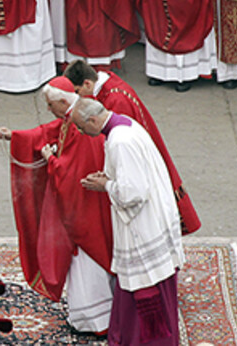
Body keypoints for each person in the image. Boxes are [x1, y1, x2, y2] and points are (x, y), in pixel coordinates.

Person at [0, 76, 113, 334]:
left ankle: (94, 320)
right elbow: (48, 131)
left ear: (63, 101)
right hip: (85, 204)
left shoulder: (83, 126)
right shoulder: (75, 114)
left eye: (51, 105)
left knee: (87, 264)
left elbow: (75, 173)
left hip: (84, 208)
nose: (49, 110)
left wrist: (51, 160)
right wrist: (13, 136)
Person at [73, 97, 185, 346]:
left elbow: (133, 192)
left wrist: (106, 185)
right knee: (136, 287)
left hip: (143, 227)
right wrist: (110, 177)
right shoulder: (125, 126)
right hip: (154, 216)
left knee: (145, 290)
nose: (83, 133)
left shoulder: (119, 141)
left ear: (92, 120)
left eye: (82, 127)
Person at [64, 58, 202, 234]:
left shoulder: (117, 100)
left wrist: (108, 178)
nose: (79, 98)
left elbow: (123, 147)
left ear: (87, 83)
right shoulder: (106, 85)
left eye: (78, 92)